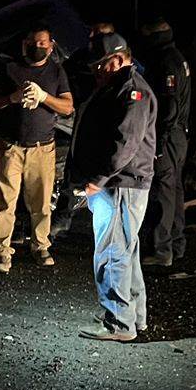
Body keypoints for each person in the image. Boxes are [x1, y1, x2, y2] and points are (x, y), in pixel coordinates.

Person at [70, 31, 157, 342]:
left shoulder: (133, 92)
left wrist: (99, 178)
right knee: (125, 251)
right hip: (120, 183)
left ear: (118, 61)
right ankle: (134, 317)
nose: (97, 72)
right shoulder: (120, 87)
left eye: (101, 66)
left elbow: (125, 143)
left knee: (112, 251)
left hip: (121, 184)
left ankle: (119, 323)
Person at [0, 27, 73, 273]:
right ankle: (1, 252)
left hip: (42, 148)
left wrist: (44, 97)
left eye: (43, 43)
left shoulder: (56, 72)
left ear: (51, 46)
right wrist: (10, 99)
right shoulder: (9, 69)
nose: (38, 47)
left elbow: (67, 107)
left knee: (42, 203)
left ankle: (41, 246)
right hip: (11, 146)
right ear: (25, 44)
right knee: (5, 203)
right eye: (34, 42)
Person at [139, 18, 192, 268]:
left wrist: (158, 144)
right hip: (179, 135)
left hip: (169, 136)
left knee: (162, 191)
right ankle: (177, 244)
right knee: (175, 190)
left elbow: (169, 106)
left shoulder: (165, 61)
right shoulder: (177, 56)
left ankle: (161, 250)